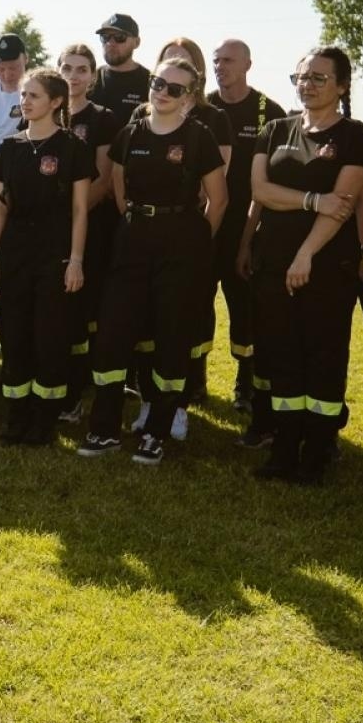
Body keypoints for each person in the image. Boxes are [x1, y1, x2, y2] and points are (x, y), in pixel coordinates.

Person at [78, 58, 227, 464]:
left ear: (189, 96)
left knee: (171, 338)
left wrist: (197, 243)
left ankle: (156, 432)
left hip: (181, 246)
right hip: (132, 242)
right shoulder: (130, 133)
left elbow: (219, 200)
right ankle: (104, 428)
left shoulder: (199, 137)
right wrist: (137, 222)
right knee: (113, 335)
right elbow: (119, 188)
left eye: (174, 88)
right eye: (158, 83)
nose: (162, 92)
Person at [243, 47, 363, 482]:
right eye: (301, 76)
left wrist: (306, 254)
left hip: (327, 265)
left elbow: (345, 204)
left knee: (323, 358)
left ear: (342, 86)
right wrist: (313, 199)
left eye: (319, 77)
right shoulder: (275, 129)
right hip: (273, 262)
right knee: (282, 356)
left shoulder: (354, 135)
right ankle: (284, 449)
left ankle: (317, 453)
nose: (308, 85)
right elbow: (261, 191)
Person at [0, 68, 94, 447]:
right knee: (13, 334)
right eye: (23, 95)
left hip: (54, 251)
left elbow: (80, 210)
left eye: (33, 95)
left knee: (49, 336)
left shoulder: (72, 147)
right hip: (14, 251)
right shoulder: (9, 147)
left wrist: (75, 260)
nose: (25, 101)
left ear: (56, 102)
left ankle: (45, 418)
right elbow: (1, 205)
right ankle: (17, 415)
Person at [209, 38, 285, 412]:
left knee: (245, 307)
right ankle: (194, 378)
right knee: (196, 303)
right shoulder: (204, 108)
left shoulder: (269, 112)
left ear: (248, 65)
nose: (220, 67)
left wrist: (250, 237)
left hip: (247, 226)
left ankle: (246, 383)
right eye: (216, 60)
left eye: (228, 60)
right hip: (207, 222)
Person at [56, 44, 121, 423]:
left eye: (81, 69)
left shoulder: (103, 118)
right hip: (48, 231)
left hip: (90, 227)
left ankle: (79, 388)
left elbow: (104, 179)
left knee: (83, 309)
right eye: (67, 68)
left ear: (93, 77)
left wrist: (72, 216)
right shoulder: (45, 111)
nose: (73, 76)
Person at [92, 13, 150, 117]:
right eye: (105, 37)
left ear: (137, 42)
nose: (110, 43)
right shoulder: (90, 79)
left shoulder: (150, 83)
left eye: (119, 37)